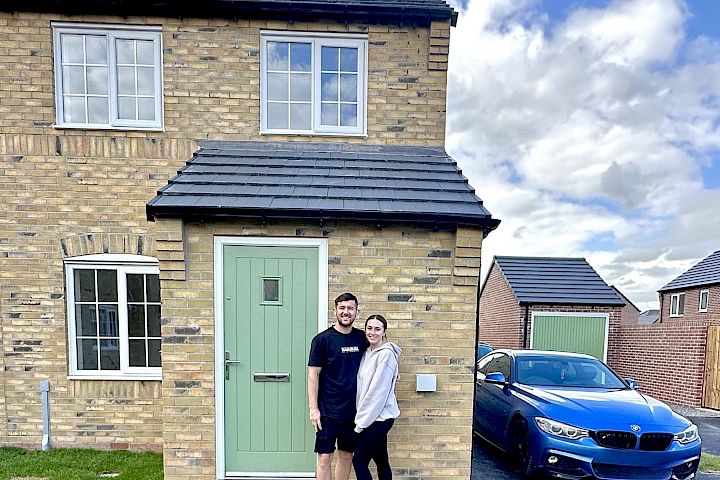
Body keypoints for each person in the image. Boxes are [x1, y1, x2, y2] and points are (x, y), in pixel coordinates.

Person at [308, 292, 367, 480]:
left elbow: (379, 356)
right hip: (327, 412)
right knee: (325, 457)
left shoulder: (362, 338)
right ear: (335, 310)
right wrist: (313, 409)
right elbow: (312, 375)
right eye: (342, 308)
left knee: (346, 455)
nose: (346, 312)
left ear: (357, 312)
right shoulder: (322, 340)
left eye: (350, 308)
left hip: (354, 411)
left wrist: (392, 373)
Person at [353, 314, 401, 480]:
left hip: (379, 418)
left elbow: (376, 394)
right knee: (381, 459)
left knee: (359, 461)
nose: (372, 332)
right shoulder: (367, 353)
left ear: (384, 332)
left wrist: (361, 423)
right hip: (372, 416)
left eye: (377, 329)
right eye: (369, 328)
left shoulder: (385, 355)